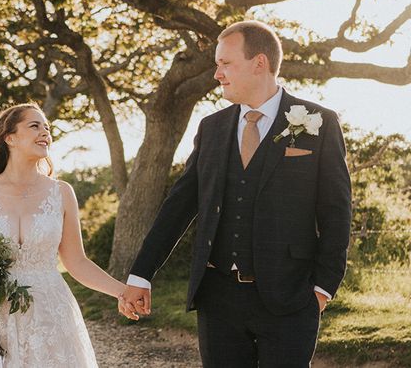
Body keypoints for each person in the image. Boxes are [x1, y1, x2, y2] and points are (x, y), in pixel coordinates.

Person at [120, 20, 352, 367]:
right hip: (218, 300)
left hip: (290, 298)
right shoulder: (211, 128)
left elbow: (336, 211)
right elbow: (179, 207)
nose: (217, 74)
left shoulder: (319, 122)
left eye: (225, 63)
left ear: (259, 63)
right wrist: (141, 274)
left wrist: (322, 288)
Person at [0, 102, 127, 368]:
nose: (45, 132)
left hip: (50, 314)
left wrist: (122, 292)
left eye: (47, 127)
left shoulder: (62, 193)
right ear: (9, 138)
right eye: (35, 126)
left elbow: (76, 262)